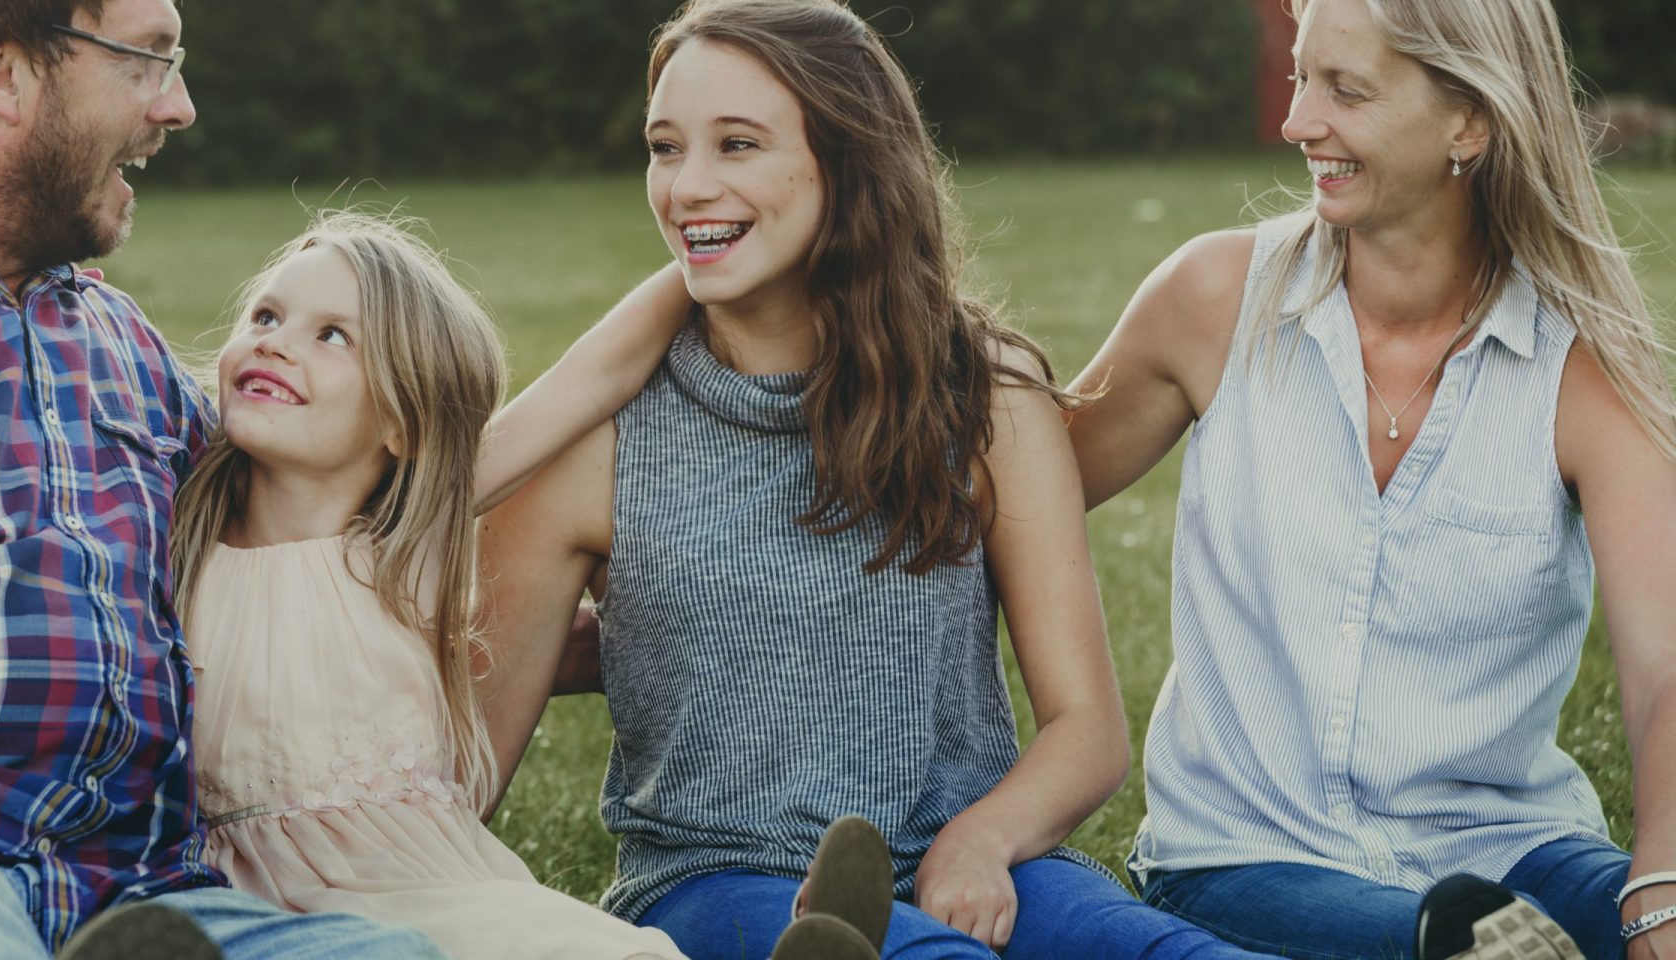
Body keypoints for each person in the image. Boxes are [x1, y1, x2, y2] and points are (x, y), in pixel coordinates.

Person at [478, 1, 1293, 958]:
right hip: (718, 882)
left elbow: (1086, 730)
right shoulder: (595, 446)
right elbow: (465, 773)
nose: (688, 186)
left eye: (737, 145)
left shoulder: (987, 400)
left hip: (983, 861)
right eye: (665, 148)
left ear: (848, 159)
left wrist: (981, 842)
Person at [0, 1, 431, 956]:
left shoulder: (118, 344)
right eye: (147, 59)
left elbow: (328, 518)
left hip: (126, 902)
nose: (180, 106)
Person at [1063, 0, 1676, 957]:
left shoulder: (1584, 370)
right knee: (1454, 946)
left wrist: (1658, 890)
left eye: (1344, 90)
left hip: (1515, 848)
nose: (1297, 121)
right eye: (1304, 77)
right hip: (1248, 856)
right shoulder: (1212, 301)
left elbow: (1664, 673)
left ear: (1468, 122)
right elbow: (1016, 494)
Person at [171, 210, 693, 960]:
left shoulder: (405, 550)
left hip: (424, 896)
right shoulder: (178, 540)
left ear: (403, 425)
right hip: (236, 906)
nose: (275, 341)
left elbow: (593, 376)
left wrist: (710, 251)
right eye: (266, 314)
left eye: (332, 336)